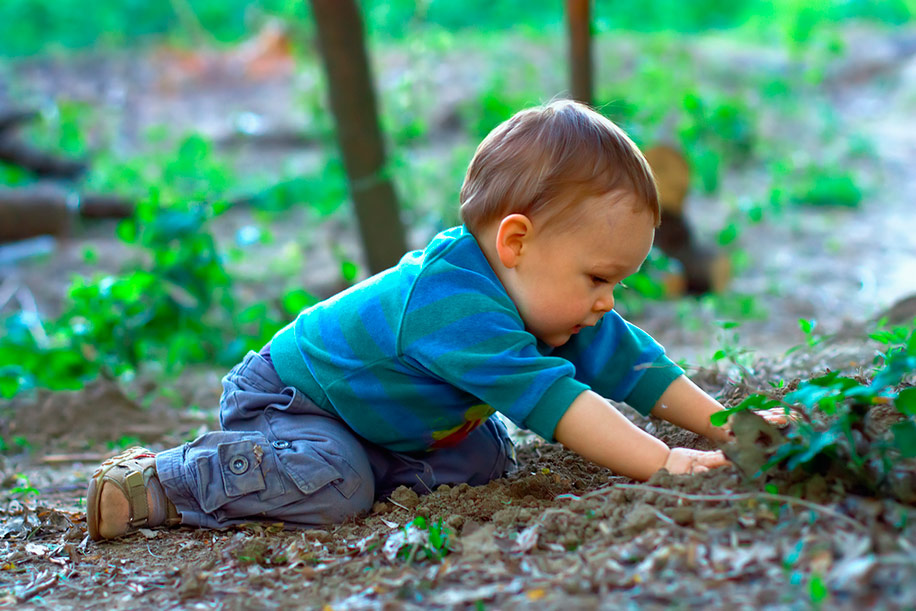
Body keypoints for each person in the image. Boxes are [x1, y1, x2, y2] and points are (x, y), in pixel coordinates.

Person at [87, 99, 782, 541]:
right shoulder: (455, 303)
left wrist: (727, 426)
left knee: (486, 459)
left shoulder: (547, 292)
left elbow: (633, 363)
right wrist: (661, 460)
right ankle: (167, 480)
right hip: (293, 400)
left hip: (388, 414)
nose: (608, 300)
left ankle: (372, 457)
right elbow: (559, 403)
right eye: (599, 278)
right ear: (516, 242)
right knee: (339, 486)